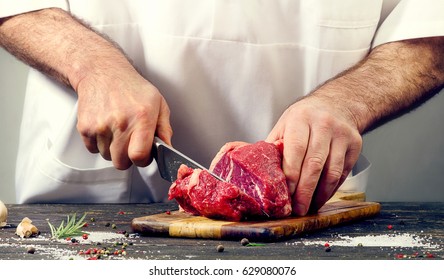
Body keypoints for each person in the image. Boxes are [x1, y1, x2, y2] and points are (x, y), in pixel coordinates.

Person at [0, 0, 443, 216]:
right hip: (93, 201)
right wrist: (93, 67)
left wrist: (346, 99)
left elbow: (432, 21)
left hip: (302, 206)